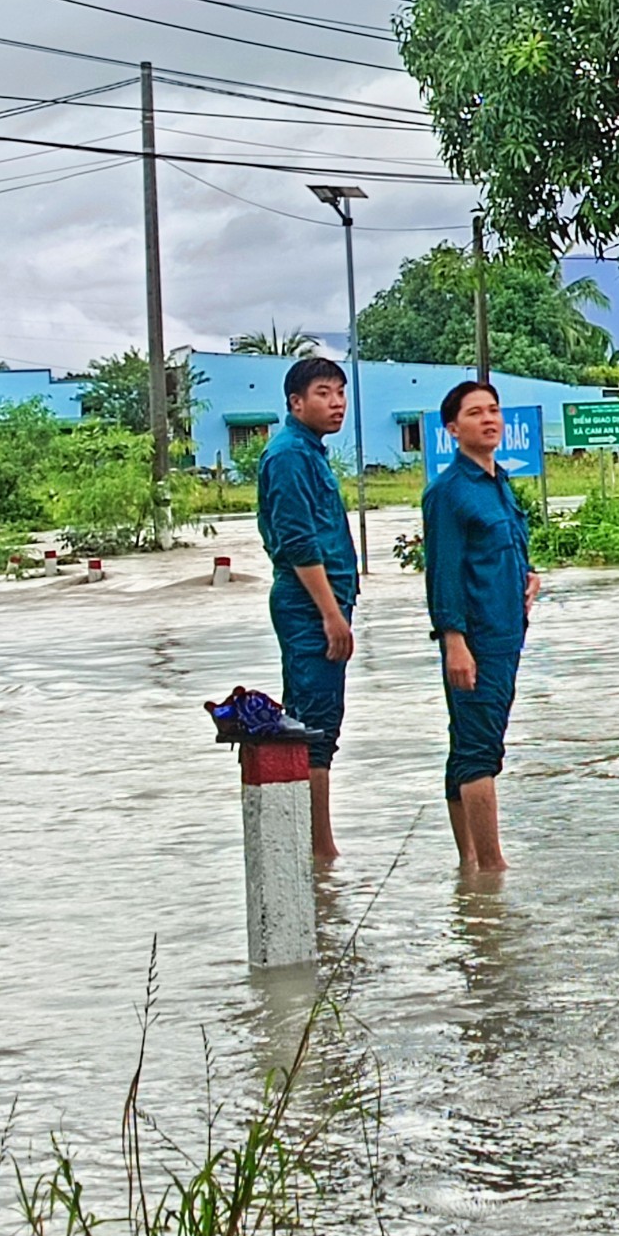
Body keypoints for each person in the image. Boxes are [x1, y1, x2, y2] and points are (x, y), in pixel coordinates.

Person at [420, 379, 538, 875]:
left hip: (507, 630)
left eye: (494, 411)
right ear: (452, 429)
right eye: (475, 413)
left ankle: (468, 866)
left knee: (468, 741)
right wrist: (454, 641)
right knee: (479, 747)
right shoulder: (448, 492)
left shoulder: (499, 482)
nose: (489, 419)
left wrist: (528, 577)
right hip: (476, 638)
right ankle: (492, 867)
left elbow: (506, 546)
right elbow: (443, 571)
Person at [257, 355, 359, 864]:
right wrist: (331, 614)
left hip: (321, 603)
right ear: (296, 403)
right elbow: (298, 542)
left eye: (340, 392)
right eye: (324, 392)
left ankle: (313, 849)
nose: (337, 402)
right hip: (309, 607)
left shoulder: (309, 452)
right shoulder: (291, 456)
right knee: (316, 726)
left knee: (316, 722)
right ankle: (320, 850)